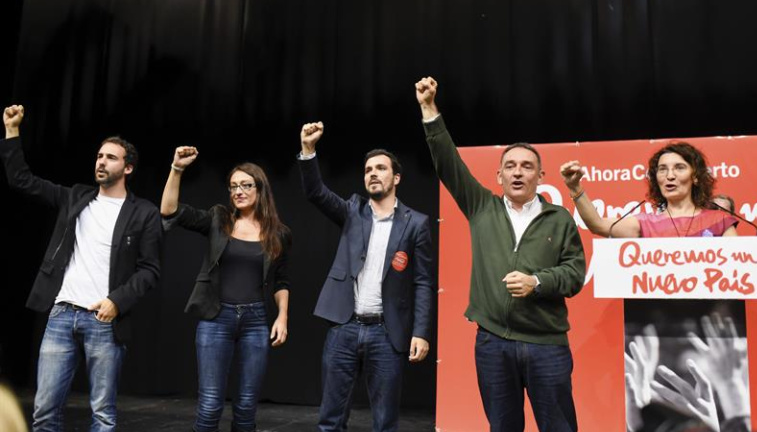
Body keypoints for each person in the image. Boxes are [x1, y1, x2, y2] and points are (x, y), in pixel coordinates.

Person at [415, 77, 586, 432]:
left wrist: (537, 281)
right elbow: (448, 163)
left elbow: (575, 275)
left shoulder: (560, 218)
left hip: (547, 346)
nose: (518, 172)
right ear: (499, 175)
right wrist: (429, 109)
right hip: (493, 343)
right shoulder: (482, 207)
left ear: (541, 175)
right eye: (510, 165)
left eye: (527, 166)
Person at [560, 143, 748, 431]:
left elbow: (738, 269)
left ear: (695, 176)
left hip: (713, 342)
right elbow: (598, 224)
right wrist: (575, 189)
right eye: (662, 169)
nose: (669, 175)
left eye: (679, 168)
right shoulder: (644, 222)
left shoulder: (719, 221)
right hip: (656, 342)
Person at [0, 105, 162, 432]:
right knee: (44, 411)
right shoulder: (76, 197)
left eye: (111, 157)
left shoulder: (143, 212)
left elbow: (149, 270)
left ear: (128, 167)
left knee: (102, 414)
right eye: (99, 156)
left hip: (104, 318)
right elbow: (21, 180)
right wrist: (12, 130)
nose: (101, 162)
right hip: (61, 314)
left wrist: (116, 301)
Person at [297, 122, 435, 432]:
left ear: (396, 178)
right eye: (368, 169)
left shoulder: (416, 223)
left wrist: (421, 332)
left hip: (386, 333)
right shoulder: (352, 211)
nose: (373, 173)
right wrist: (308, 150)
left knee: (385, 423)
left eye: (381, 168)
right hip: (344, 327)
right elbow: (315, 192)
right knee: (330, 420)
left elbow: (423, 282)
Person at [160, 146, 291, 432]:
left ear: (260, 189)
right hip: (216, 318)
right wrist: (177, 169)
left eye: (246, 185)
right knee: (210, 405)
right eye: (233, 186)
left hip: (256, 321)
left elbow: (281, 280)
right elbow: (169, 211)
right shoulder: (219, 219)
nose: (238, 191)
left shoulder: (278, 233)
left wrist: (282, 317)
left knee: (246, 406)